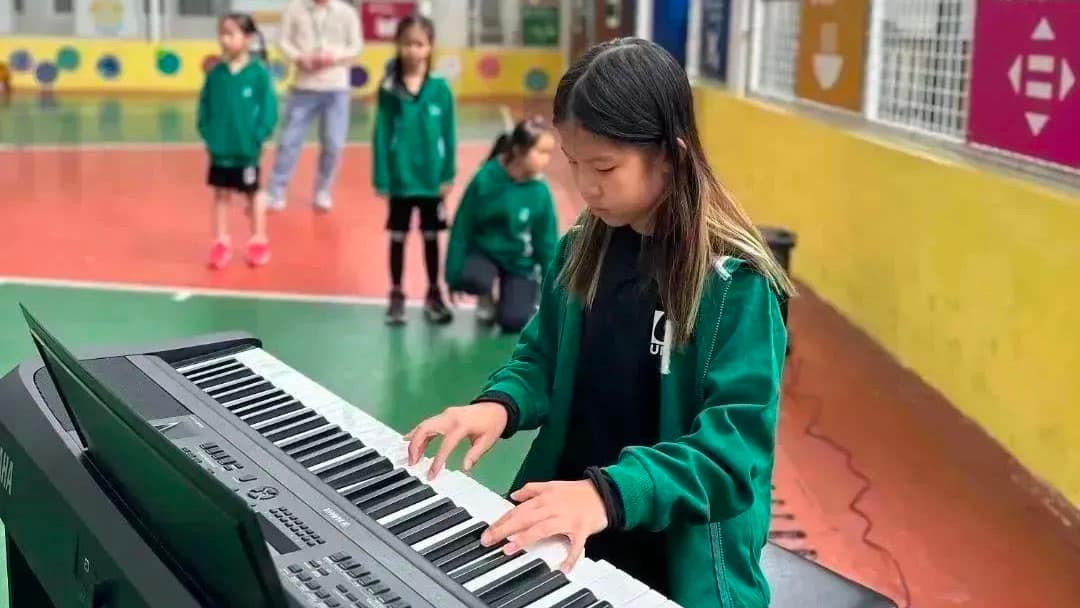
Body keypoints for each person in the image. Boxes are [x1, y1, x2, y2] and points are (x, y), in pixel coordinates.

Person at [404, 38, 794, 607]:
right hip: (569, 522)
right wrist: (499, 406)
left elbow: (730, 458)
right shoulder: (581, 248)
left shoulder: (736, 286)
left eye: (605, 167)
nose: (585, 186)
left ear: (670, 156)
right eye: (574, 163)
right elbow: (542, 358)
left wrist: (607, 495)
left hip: (673, 562)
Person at [373, 15, 456, 326]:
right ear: (398, 45)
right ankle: (396, 294)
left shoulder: (440, 89)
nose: (412, 50)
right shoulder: (389, 89)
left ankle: (434, 293)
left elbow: (449, 134)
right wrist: (382, 176)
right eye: (407, 43)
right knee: (398, 237)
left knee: (431, 237)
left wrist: (448, 174)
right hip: (401, 179)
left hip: (431, 180)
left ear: (429, 47)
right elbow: (381, 134)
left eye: (419, 44)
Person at [444, 117, 558, 332]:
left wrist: (552, 291)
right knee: (473, 279)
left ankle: (513, 298)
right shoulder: (485, 179)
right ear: (519, 150)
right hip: (485, 252)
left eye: (549, 153)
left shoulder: (540, 191)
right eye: (541, 152)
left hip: (519, 261)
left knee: (514, 321)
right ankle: (485, 296)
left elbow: (547, 243)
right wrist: (453, 275)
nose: (547, 160)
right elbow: (462, 227)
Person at [261, 0, 362, 212]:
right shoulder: (294, 8)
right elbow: (282, 41)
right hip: (303, 87)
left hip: (337, 88)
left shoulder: (347, 12)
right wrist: (299, 57)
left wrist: (333, 57)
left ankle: (323, 190)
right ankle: (276, 191)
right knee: (288, 142)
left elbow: (356, 46)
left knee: (334, 144)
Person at [197, 13, 278, 269]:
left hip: (247, 150)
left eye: (231, 34)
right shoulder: (215, 75)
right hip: (220, 151)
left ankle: (258, 240)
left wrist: (259, 135)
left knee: (253, 193)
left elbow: (269, 109)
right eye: (222, 33)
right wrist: (209, 134)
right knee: (221, 194)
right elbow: (204, 106)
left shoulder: (258, 74)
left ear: (248, 38)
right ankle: (221, 242)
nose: (224, 39)